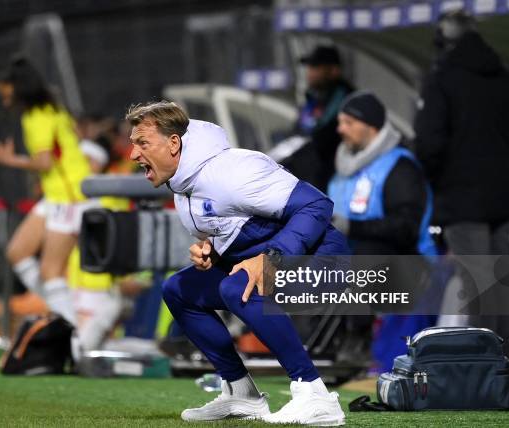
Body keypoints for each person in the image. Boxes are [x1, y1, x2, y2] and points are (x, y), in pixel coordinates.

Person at [127, 101, 348, 425]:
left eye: (142, 143)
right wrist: (213, 253)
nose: (133, 155)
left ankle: (314, 393)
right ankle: (240, 392)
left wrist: (270, 260)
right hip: (289, 256)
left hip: (329, 261)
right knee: (178, 289)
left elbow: (317, 206)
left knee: (237, 287)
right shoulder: (182, 184)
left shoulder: (232, 171)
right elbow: (247, 230)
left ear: (174, 143)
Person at [413, 10, 509, 335]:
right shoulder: (503, 76)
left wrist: (436, 181)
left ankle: (486, 365)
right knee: (503, 282)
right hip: (504, 197)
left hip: (462, 198)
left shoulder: (441, 78)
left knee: (478, 285)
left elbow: (430, 142)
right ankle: (507, 360)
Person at [328, 91, 437, 371]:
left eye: (349, 122)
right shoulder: (343, 169)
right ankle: (313, 343)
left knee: (364, 256)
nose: (340, 130)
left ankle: (359, 340)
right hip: (356, 261)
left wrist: (352, 226)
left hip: (411, 264)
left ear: (371, 126)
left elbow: (406, 228)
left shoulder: (399, 166)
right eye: (340, 122)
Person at [0, 57, 95, 326]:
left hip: (69, 197)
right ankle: (61, 311)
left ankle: (70, 329)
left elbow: (45, 161)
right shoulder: (52, 109)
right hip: (59, 192)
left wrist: (9, 159)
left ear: (18, 87)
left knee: (50, 271)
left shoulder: (37, 116)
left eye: (6, 93)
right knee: (17, 252)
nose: (4, 99)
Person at [281, 45, 354, 192]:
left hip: (335, 186)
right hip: (305, 183)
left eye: (316, 67)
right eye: (309, 67)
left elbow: (325, 142)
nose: (310, 72)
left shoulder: (349, 102)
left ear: (334, 71)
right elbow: (298, 136)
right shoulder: (312, 101)